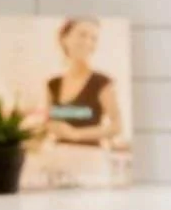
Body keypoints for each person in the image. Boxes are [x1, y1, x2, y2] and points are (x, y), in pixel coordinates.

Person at [43, 17, 125, 148]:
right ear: (65, 39)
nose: (88, 42)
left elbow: (117, 126)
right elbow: (49, 120)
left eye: (94, 38)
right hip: (58, 154)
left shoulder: (102, 83)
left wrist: (76, 134)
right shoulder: (53, 84)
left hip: (90, 158)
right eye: (82, 35)